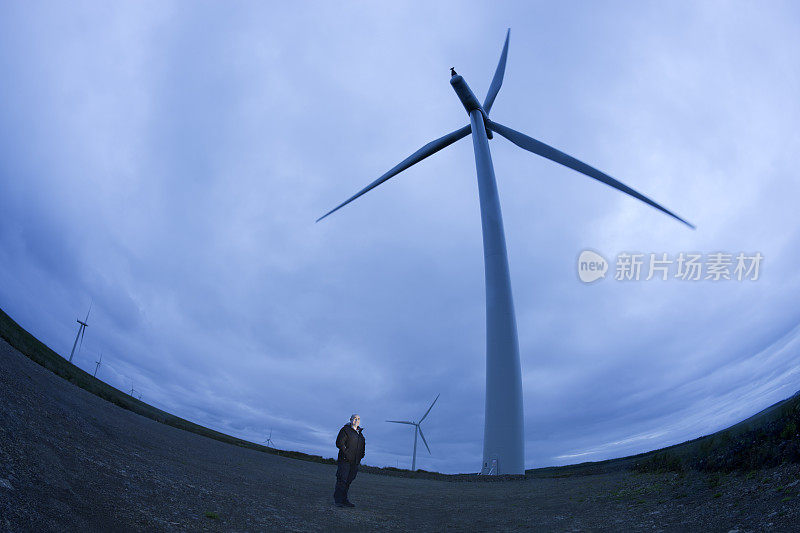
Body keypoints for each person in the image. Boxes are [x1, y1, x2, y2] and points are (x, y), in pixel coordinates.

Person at [333, 414, 365, 508]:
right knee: (342, 480)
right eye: (354, 418)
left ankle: (344, 500)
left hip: (355, 462)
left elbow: (362, 447)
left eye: (358, 419)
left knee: (348, 481)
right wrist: (347, 454)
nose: (356, 420)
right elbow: (339, 443)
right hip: (345, 460)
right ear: (350, 419)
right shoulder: (345, 430)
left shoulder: (360, 434)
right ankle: (338, 500)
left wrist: (362, 455)